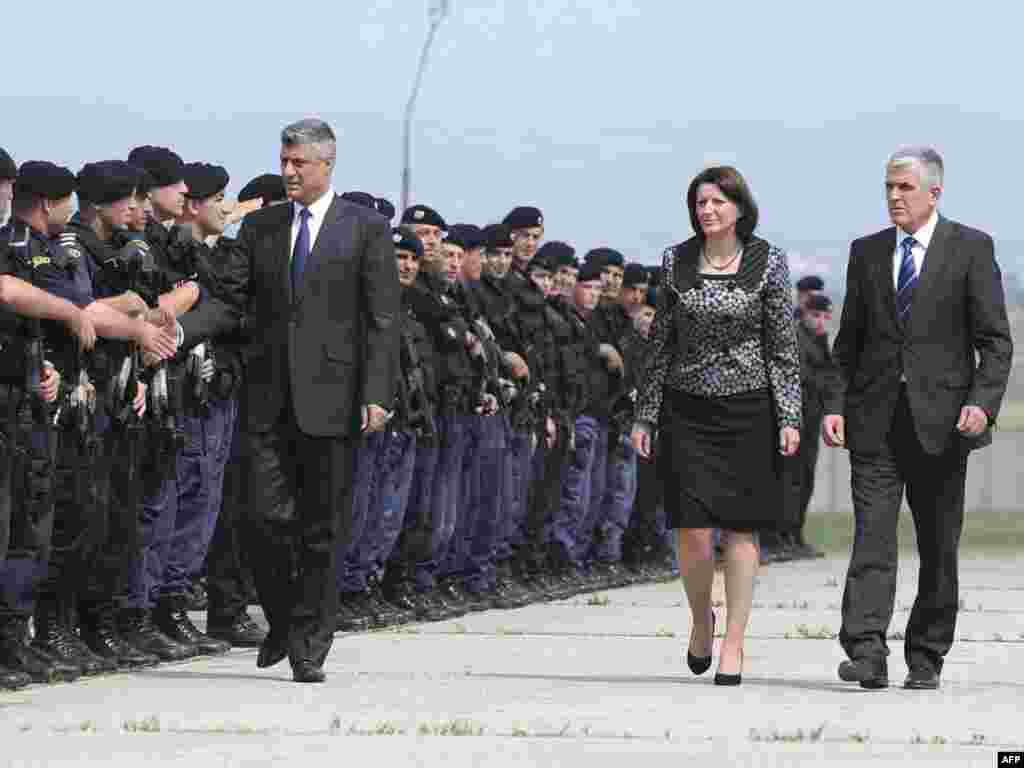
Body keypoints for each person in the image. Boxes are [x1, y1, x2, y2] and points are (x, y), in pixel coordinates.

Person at [824, 146, 1013, 691]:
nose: (893, 197)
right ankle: (866, 650)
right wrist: (837, 406)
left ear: (934, 192)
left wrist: (982, 402)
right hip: (874, 423)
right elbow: (848, 345)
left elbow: (995, 342)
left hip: (943, 425)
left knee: (938, 546)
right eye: (887, 187)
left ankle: (927, 653)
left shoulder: (971, 249)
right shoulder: (866, 252)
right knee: (872, 538)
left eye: (904, 187)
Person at [236, 118, 400, 683]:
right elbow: (233, 299)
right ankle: (282, 617)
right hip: (265, 395)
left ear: (327, 163)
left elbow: (382, 318)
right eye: (283, 161)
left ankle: (309, 642)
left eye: (298, 163)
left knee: (321, 527)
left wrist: (377, 393)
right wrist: (176, 328)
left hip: (333, 397)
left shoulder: (367, 228)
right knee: (261, 517)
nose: (287, 172)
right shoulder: (259, 227)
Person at [632, 166, 801, 686]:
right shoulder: (674, 261)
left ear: (740, 208)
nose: (708, 210)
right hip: (687, 409)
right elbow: (661, 343)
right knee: (693, 530)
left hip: (749, 408)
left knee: (743, 529)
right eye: (701, 202)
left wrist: (790, 414)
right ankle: (701, 618)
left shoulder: (767, 262)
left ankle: (734, 641)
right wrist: (647, 412)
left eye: (718, 202)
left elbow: (783, 346)